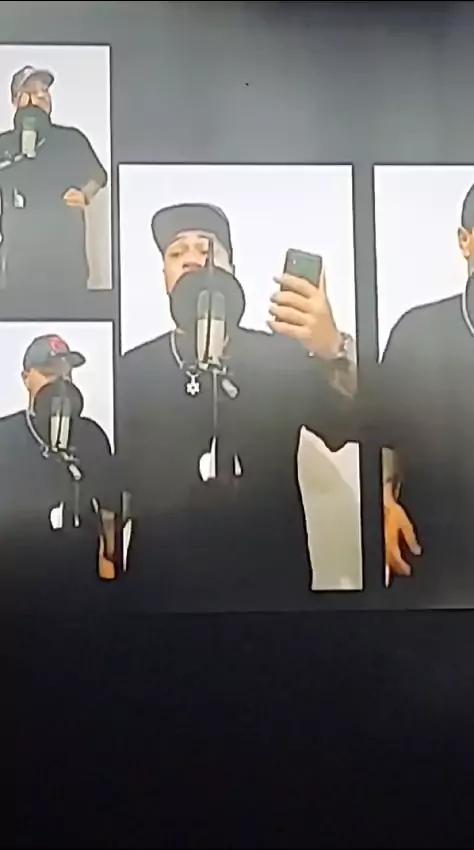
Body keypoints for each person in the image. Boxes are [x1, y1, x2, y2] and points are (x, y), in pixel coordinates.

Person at [117, 202, 359, 612]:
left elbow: (350, 425)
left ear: (232, 269)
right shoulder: (132, 369)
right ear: (165, 278)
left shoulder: (280, 355)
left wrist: (333, 348)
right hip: (161, 591)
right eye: (177, 252)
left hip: (270, 589)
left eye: (207, 249)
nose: (192, 259)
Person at [380, 182, 474, 606]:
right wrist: (382, 504)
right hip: (430, 566)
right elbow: (380, 439)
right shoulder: (416, 333)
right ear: (464, 241)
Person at [0, 333, 119, 615]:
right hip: (16, 583)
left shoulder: (91, 435)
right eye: (49, 373)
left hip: (80, 583)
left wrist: (110, 565)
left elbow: (108, 508)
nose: (60, 382)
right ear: (26, 378)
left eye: (66, 373)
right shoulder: (5, 436)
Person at [0, 65, 108, 312]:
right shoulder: (3, 144)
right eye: (32, 91)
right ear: (16, 99)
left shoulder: (71, 139)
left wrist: (85, 194)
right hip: (18, 263)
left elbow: (98, 176)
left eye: (45, 90)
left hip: (67, 262)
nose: (41, 95)